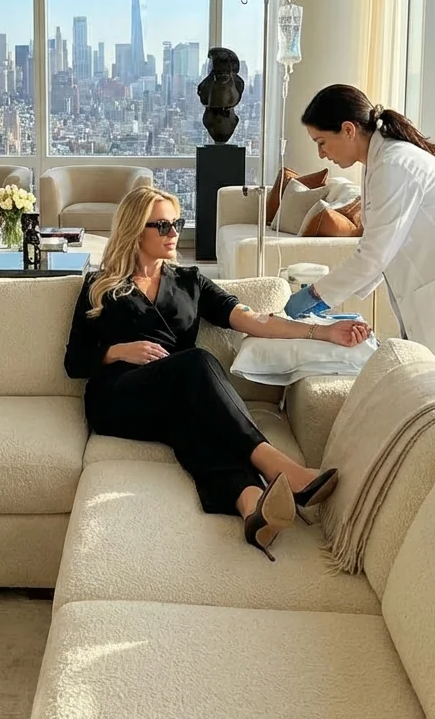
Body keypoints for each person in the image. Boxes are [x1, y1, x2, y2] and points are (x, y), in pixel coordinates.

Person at [64, 186, 370, 559]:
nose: (173, 232)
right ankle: (280, 468)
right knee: (197, 360)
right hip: (117, 398)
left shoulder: (190, 281)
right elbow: (74, 362)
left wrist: (321, 331)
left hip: (177, 397)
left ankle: (253, 508)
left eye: (176, 223)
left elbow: (252, 320)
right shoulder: (100, 287)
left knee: (194, 427)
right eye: (161, 225)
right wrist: (117, 351)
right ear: (134, 230)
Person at [284, 84, 435, 397]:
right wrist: (330, 298)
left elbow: (373, 255)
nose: (321, 153)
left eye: (322, 142)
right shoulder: (381, 161)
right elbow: (382, 248)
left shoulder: (394, 165)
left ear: (348, 130)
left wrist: (318, 295)